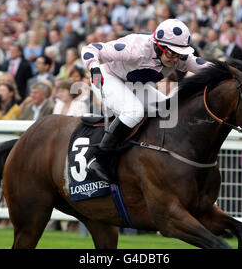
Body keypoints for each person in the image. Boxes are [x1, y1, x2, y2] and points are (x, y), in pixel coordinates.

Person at [80, 18, 209, 182]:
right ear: (158, 46)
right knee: (134, 111)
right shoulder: (135, 48)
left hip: (134, 84)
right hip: (108, 77)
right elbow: (91, 48)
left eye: (180, 54)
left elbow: (206, 67)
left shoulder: (178, 57)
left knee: (170, 109)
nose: (175, 59)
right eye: (171, 53)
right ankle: (99, 159)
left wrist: (234, 73)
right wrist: (94, 68)